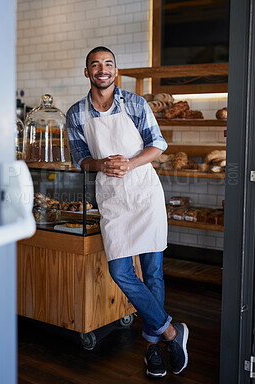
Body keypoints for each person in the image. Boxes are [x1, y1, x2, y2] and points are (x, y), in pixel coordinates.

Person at [66, 46, 189, 378]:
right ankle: (171, 333)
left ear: (116, 71)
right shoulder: (76, 113)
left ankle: (152, 350)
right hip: (113, 199)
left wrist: (130, 162)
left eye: (108, 64)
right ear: (87, 72)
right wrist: (102, 164)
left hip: (144, 194)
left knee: (152, 275)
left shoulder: (135, 103)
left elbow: (158, 143)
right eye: (95, 64)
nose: (102, 69)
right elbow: (80, 159)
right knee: (121, 271)